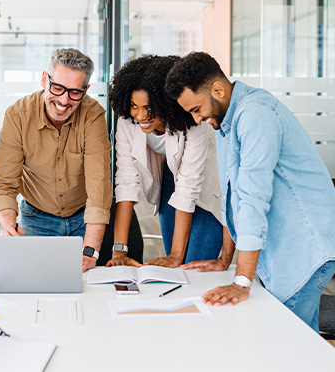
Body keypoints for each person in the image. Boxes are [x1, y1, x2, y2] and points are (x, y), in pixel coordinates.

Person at [165, 51, 335, 332]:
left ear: (217, 90)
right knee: (289, 344)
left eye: (196, 109)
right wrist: (225, 259)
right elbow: (234, 197)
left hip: (303, 249)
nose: (196, 119)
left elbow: (253, 199)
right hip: (282, 251)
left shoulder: (255, 114)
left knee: (285, 343)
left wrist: (241, 281)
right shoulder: (225, 121)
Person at [0, 48, 112, 272]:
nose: (64, 100)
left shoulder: (93, 115)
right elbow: (4, 185)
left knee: (86, 286)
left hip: (83, 217)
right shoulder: (17, 116)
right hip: (36, 216)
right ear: (44, 79)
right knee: (32, 281)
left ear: (86, 90)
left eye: (75, 92)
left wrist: (90, 251)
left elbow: (99, 187)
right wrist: (8, 225)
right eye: (57, 88)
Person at [107, 55, 223, 268]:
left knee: (193, 265)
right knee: (174, 263)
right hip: (169, 177)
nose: (140, 116)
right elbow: (126, 181)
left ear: (166, 103)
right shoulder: (127, 121)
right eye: (134, 105)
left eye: (149, 108)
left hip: (206, 185)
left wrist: (177, 256)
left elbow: (189, 186)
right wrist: (120, 250)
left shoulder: (193, 123)